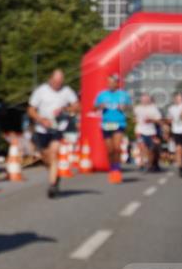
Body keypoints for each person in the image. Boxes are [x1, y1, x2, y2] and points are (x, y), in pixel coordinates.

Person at [27, 69, 80, 198]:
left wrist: (65, 109)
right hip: (42, 128)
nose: (58, 84)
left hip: (58, 128)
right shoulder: (41, 91)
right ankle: (54, 175)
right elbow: (31, 110)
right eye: (56, 81)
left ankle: (52, 185)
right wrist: (41, 119)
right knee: (46, 158)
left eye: (60, 82)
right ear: (50, 79)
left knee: (54, 153)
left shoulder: (67, 91)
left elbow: (77, 106)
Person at [93, 73, 133, 184]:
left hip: (119, 123)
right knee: (110, 150)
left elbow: (130, 108)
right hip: (106, 124)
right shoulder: (102, 95)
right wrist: (99, 106)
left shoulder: (123, 95)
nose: (110, 84)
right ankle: (112, 168)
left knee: (116, 147)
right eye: (108, 82)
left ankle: (116, 170)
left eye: (112, 82)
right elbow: (94, 107)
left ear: (117, 83)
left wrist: (125, 107)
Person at [134, 93, 163, 173]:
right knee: (142, 148)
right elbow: (135, 117)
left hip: (151, 132)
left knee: (151, 150)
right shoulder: (137, 108)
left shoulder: (153, 108)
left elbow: (159, 120)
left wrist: (151, 120)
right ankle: (142, 163)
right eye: (143, 99)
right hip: (140, 131)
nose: (144, 101)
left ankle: (150, 164)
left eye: (146, 99)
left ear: (149, 100)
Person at [168, 92, 182, 177]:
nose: (178, 100)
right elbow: (169, 119)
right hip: (176, 131)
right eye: (176, 98)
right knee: (178, 150)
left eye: (180, 98)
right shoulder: (171, 108)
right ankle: (180, 168)